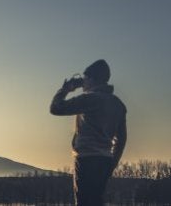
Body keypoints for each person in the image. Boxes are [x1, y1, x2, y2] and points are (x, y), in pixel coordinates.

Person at [50, 59, 127, 206]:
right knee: (96, 200)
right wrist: (113, 163)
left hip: (86, 158)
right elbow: (122, 139)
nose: (82, 82)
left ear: (92, 79)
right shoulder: (118, 104)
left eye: (84, 79)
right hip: (105, 159)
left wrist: (65, 89)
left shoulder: (90, 99)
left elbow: (56, 108)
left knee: (84, 201)